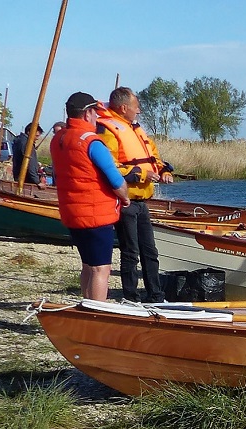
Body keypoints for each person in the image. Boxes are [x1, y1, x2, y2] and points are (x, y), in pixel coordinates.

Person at [95, 86, 174, 303]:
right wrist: (141, 175)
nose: (138, 111)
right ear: (123, 108)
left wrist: (164, 170)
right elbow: (109, 167)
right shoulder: (108, 130)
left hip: (142, 202)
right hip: (126, 200)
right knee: (130, 252)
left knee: (150, 251)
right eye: (136, 107)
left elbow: (154, 156)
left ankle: (155, 295)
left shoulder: (135, 129)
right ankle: (130, 296)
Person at [49, 92, 129, 302]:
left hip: (72, 213)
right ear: (87, 114)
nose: (97, 120)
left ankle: (87, 307)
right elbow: (116, 180)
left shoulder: (58, 139)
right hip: (96, 215)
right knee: (101, 269)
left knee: (87, 266)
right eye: (95, 114)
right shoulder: (91, 142)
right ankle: (97, 313)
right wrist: (126, 198)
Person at [12, 122, 46, 187]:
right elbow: (30, 164)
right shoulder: (27, 144)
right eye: (36, 136)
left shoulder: (19, 141)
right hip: (27, 180)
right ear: (29, 132)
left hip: (19, 177)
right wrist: (37, 182)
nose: (37, 138)